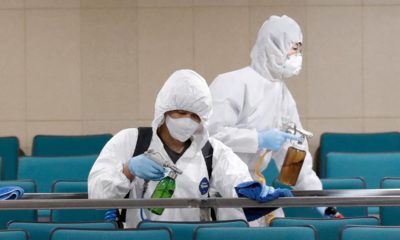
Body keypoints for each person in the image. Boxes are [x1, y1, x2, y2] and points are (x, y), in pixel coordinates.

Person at [88, 69, 290, 228]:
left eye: (195, 116)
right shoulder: (130, 141)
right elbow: (97, 194)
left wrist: (254, 192)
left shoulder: (212, 152)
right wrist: (128, 170)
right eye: (181, 112)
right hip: (140, 235)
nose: (188, 121)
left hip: (191, 235)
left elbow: (237, 180)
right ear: (164, 110)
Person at [208, 15, 331, 225]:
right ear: (273, 47)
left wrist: (318, 199)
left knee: (279, 229)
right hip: (224, 190)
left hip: (259, 191)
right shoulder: (233, 83)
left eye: (299, 49)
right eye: (293, 48)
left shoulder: (283, 96)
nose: (297, 55)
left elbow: (292, 153)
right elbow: (210, 136)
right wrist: (257, 139)